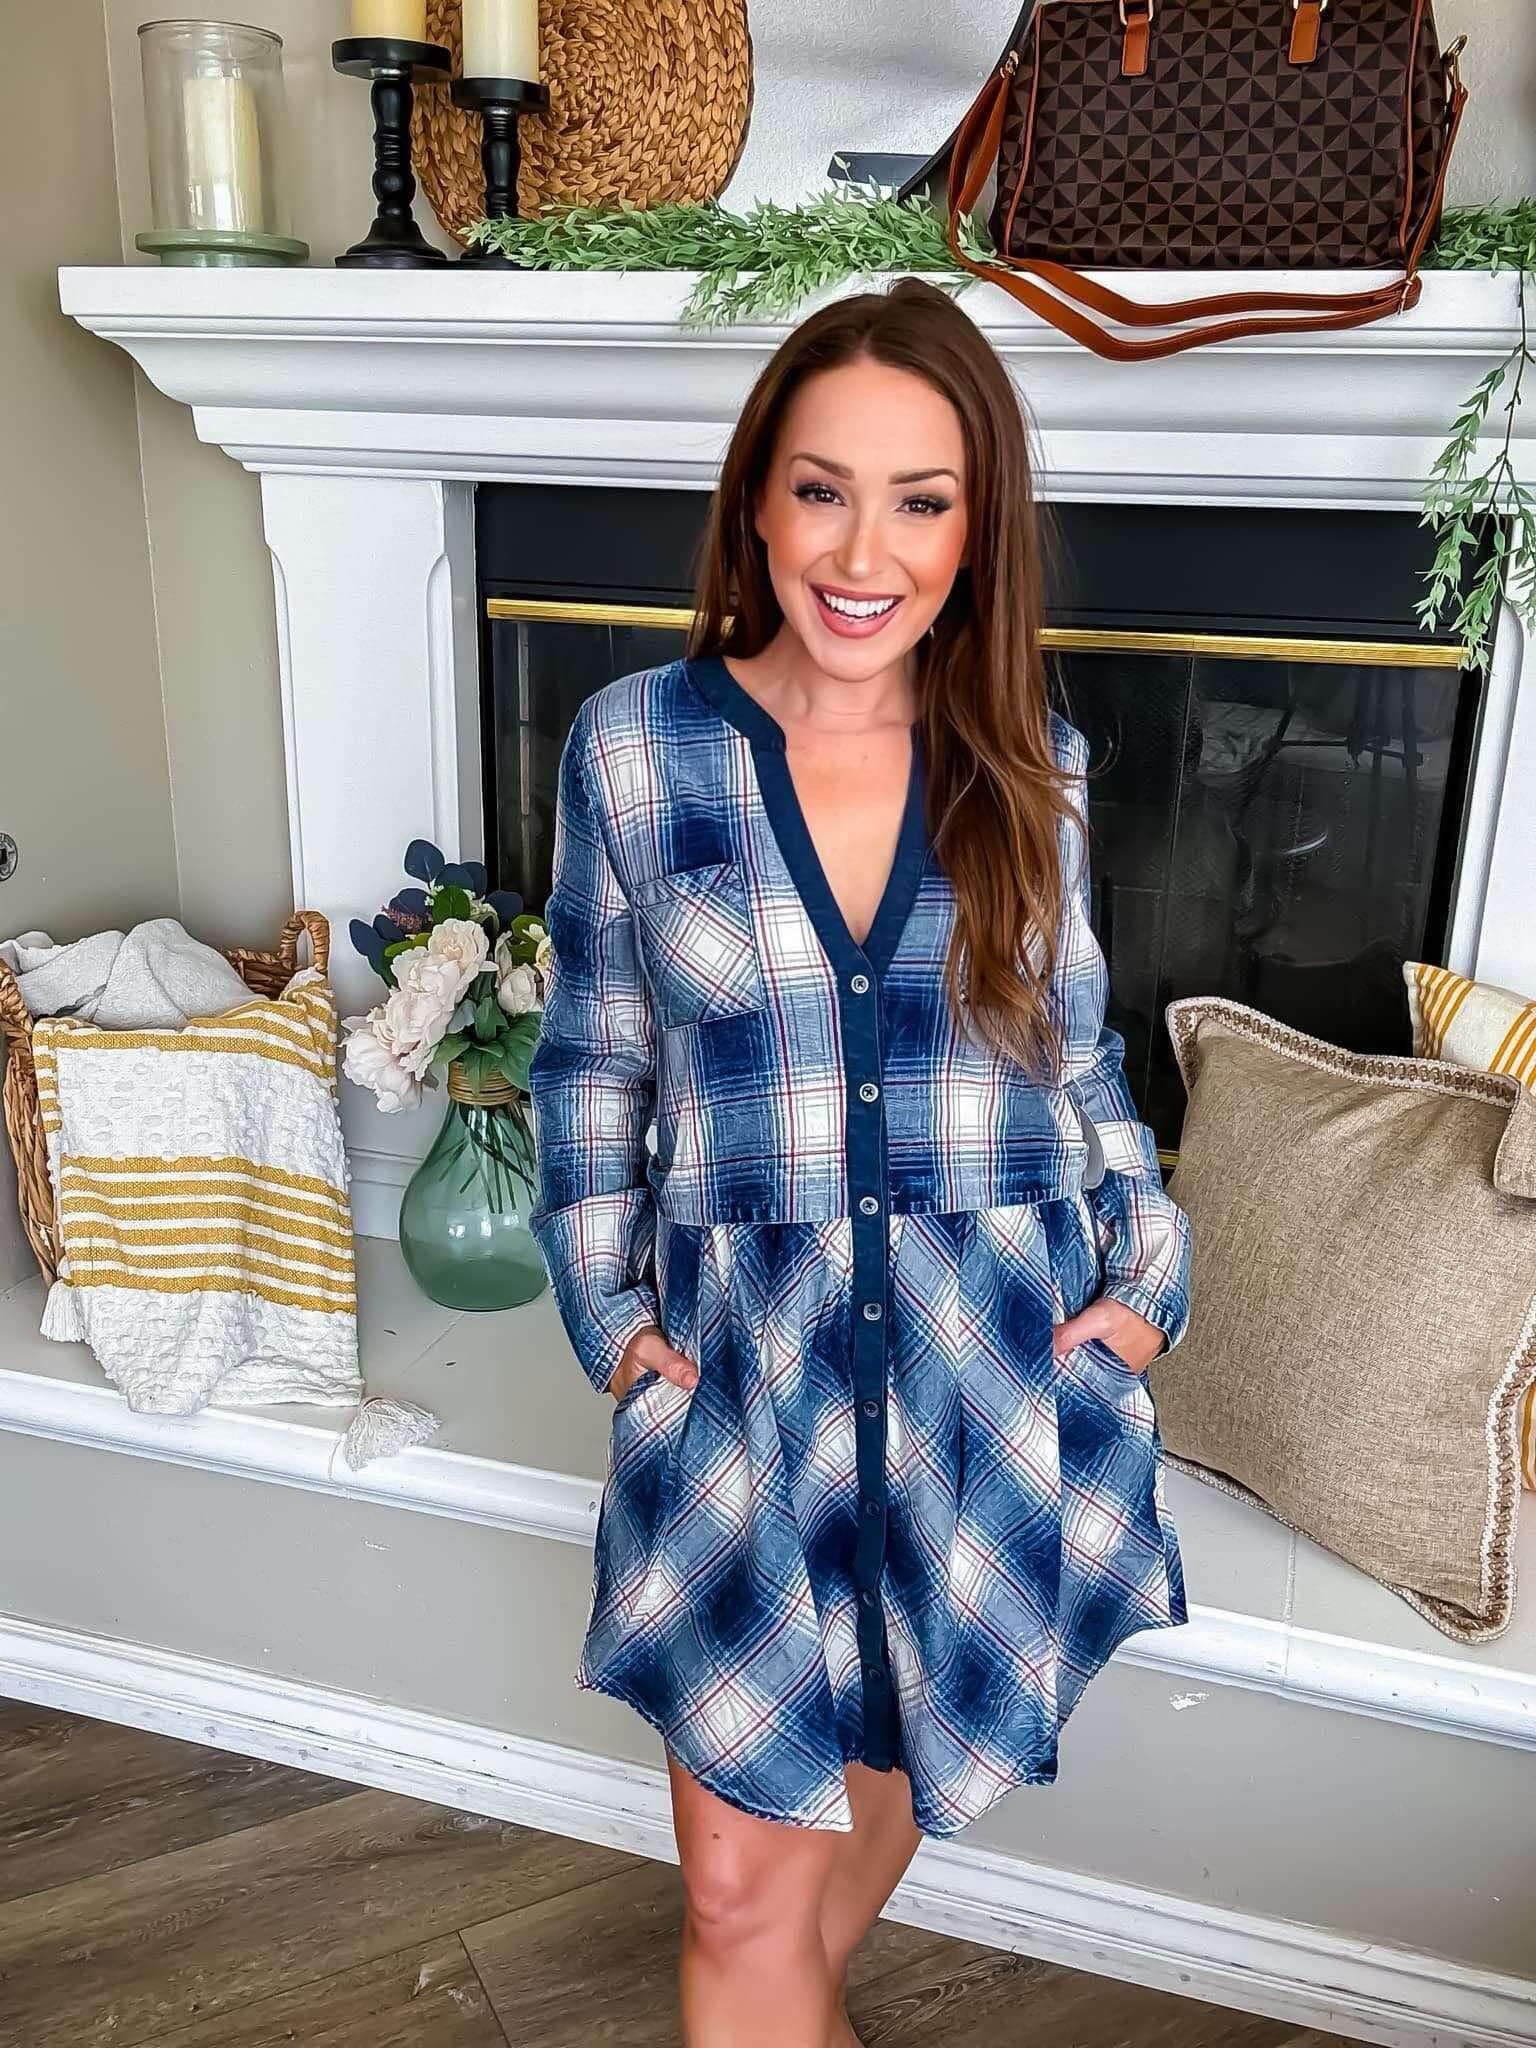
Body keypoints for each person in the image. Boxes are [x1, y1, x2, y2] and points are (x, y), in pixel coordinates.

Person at [526, 274, 1195, 2048]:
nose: (862, 549)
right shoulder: (637, 751)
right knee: (741, 1889)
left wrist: (1145, 1282)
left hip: (984, 1386)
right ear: (757, 496)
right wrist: (609, 1311)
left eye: (921, 499)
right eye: (822, 486)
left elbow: (1077, 1065)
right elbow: (592, 1055)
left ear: (977, 534)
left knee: (860, 1840)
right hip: (744, 1396)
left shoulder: (1026, 768)